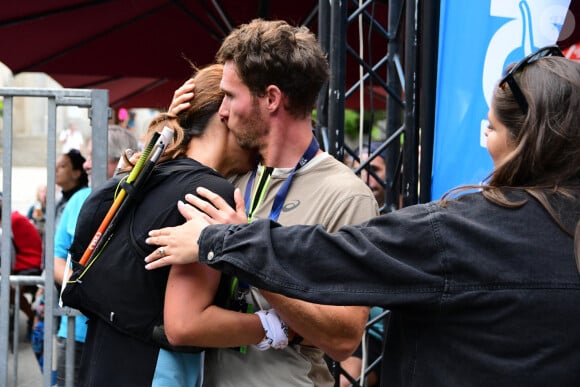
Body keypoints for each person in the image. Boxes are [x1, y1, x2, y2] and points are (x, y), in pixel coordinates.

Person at [144, 47, 580, 386]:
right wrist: (169, 139)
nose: (486, 143)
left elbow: (337, 259)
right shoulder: (237, 175)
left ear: (525, 142)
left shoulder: (460, 230)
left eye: (490, 130)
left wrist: (222, 241)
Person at [149, 19, 378, 386]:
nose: (222, 111)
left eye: (230, 96)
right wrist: (169, 129)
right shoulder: (231, 174)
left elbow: (343, 338)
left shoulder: (346, 195)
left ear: (271, 99)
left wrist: (241, 248)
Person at [62, 64, 257, 387]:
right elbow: (186, 325)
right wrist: (276, 327)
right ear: (225, 113)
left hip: (105, 360)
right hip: (153, 371)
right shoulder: (210, 194)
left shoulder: (149, 175)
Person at [53, 125, 138, 387]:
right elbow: (56, 258)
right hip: (75, 330)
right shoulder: (78, 199)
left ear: (120, 159)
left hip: (123, 333)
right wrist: (84, 291)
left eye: (94, 156)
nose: (87, 165)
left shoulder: (139, 200)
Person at [0, 192, 43, 333]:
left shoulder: (11, 221)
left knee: (9, 291)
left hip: (30, 265)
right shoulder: (11, 218)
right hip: (26, 263)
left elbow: (9, 253)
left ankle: (33, 318)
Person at [55, 149, 89, 227]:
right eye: (55, 166)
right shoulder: (60, 201)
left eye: (62, 166)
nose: (55, 170)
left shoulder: (83, 201)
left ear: (76, 173)